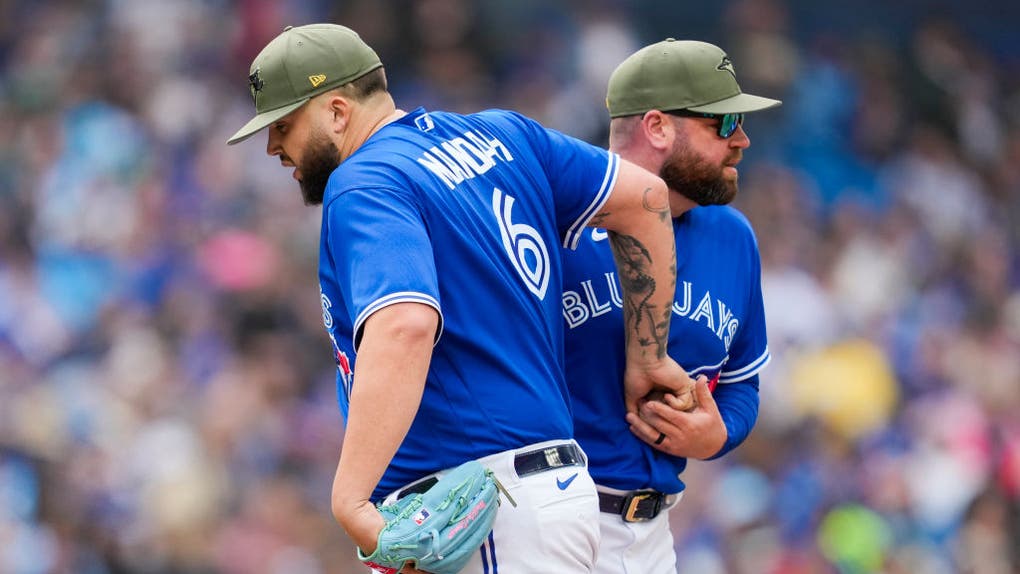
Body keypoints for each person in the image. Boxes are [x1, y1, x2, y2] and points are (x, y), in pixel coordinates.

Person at [227, 24, 693, 573]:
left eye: (284, 124)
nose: (273, 145)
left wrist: (350, 498)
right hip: (543, 496)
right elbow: (645, 197)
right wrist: (649, 356)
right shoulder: (504, 135)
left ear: (335, 111)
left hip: (485, 510)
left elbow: (404, 324)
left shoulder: (365, 180)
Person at [561, 39, 781, 573]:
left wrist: (719, 433)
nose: (743, 140)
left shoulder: (733, 236)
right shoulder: (556, 222)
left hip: (653, 536)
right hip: (553, 520)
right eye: (724, 124)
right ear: (658, 127)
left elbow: (742, 385)